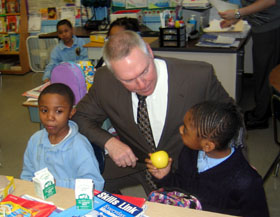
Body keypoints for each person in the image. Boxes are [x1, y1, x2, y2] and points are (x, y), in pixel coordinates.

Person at [72, 30, 233, 195]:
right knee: (83, 180)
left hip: (184, 167)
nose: (141, 84)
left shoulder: (198, 76)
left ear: (149, 52)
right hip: (137, 161)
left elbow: (232, 117)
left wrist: (237, 163)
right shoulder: (105, 80)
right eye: (128, 80)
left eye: (144, 71)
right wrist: (110, 143)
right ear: (113, 73)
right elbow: (81, 117)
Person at [146, 101, 269, 217]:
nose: (180, 130)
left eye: (186, 130)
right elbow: (182, 189)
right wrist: (166, 177)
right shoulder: (189, 153)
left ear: (208, 146)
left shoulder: (246, 181)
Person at [20, 83, 104, 190]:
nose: (50, 117)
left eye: (59, 111)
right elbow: (27, 175)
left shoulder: (79, 146)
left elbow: (95, 185)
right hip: (40, 200)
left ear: (71, 113)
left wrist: (55, 184)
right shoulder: (35, 140)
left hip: (72, 201)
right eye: (44, 110)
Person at [219, 0, 280, 130]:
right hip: (264, 24)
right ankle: (266, 111)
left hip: (272, 25)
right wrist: (236, 18)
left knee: (265, 73)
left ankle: (260, 117)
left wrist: (237, 14)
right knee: (262, 71)